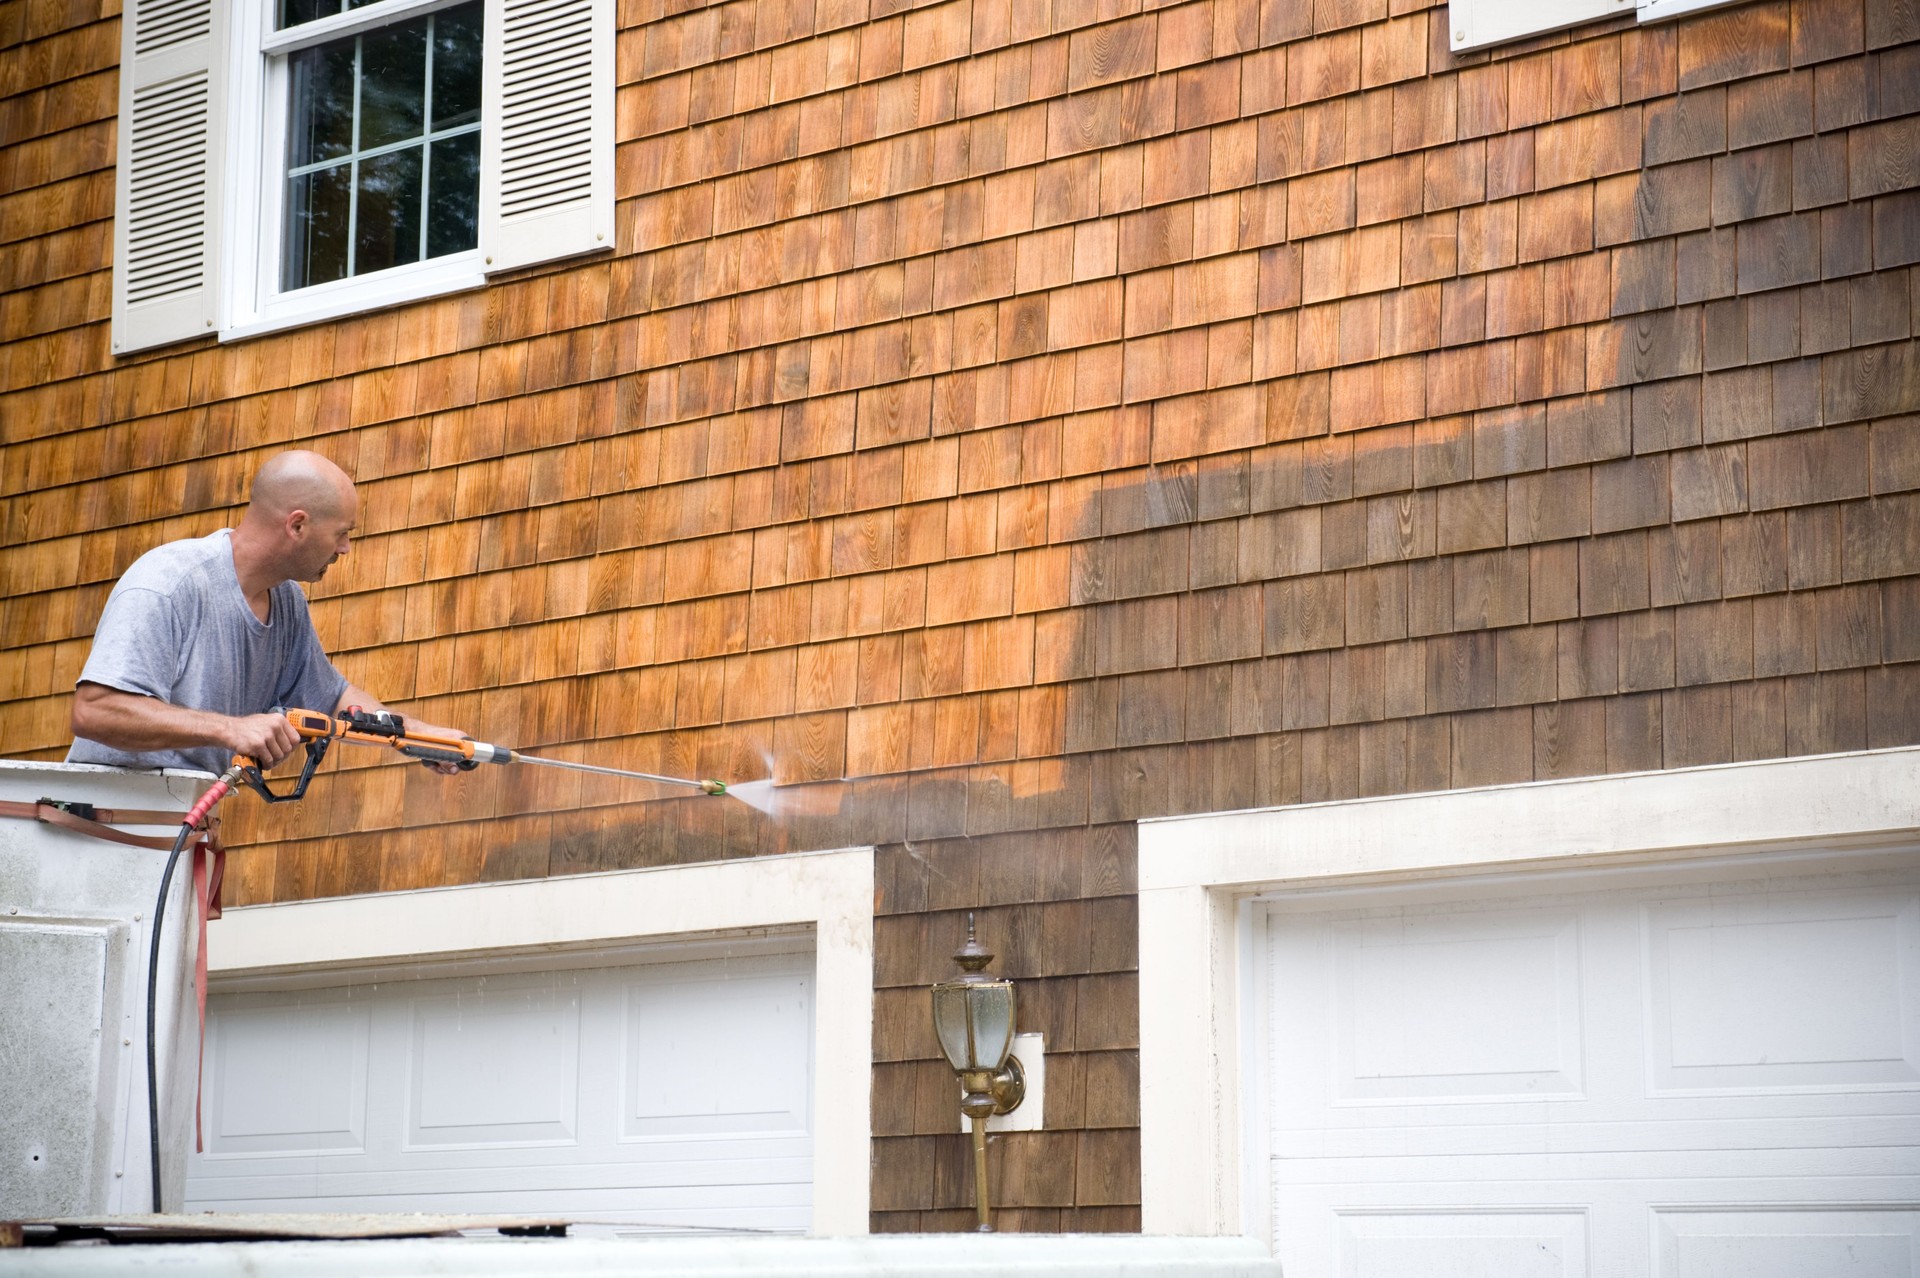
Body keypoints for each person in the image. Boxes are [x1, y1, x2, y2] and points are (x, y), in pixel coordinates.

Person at [68, 450, 466, 777]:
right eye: (341, 533)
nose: (344, 549)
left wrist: (418, 736)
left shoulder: (286, 601)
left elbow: (334, 702)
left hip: (179, 825)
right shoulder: (170, 582)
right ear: (297, 525)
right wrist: (231, 728)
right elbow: (95, 710)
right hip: (100, 827)